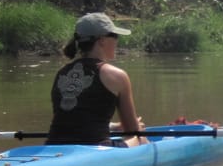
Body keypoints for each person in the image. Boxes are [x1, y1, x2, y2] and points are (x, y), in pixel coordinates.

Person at [45, 12, 147, 146]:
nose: (117, 41)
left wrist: (113, 127)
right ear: (102, 40)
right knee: (141, 139)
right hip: (96, 148)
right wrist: (138, 129)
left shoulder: (62, 73)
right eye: (115, 36)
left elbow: (69, 122)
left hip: (53, 145)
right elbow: (132, 130)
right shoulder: (117, 75)